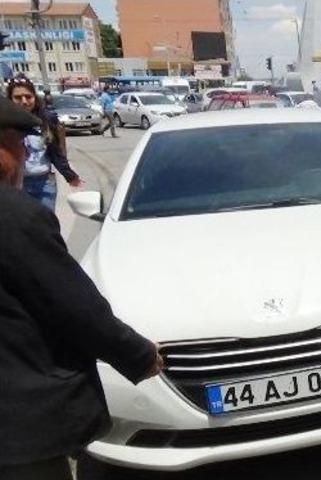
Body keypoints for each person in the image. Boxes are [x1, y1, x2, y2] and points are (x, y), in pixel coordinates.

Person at [0, 95, 164, 480]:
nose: (24, 159)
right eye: (18, 147)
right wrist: (139, 355)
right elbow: (73, 306)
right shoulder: (15, 217)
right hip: (19, 427)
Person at [7, 76, 81, 210]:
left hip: (44, 182)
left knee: (46, 226)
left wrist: (69, 175)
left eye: (28, 96)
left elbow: (56, 152)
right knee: (22, 227)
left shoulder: (46, 119)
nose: (24, 101)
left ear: (34, 97)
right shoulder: (5, 123)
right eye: (18, 98)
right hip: (16, 184)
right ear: (10, 99)